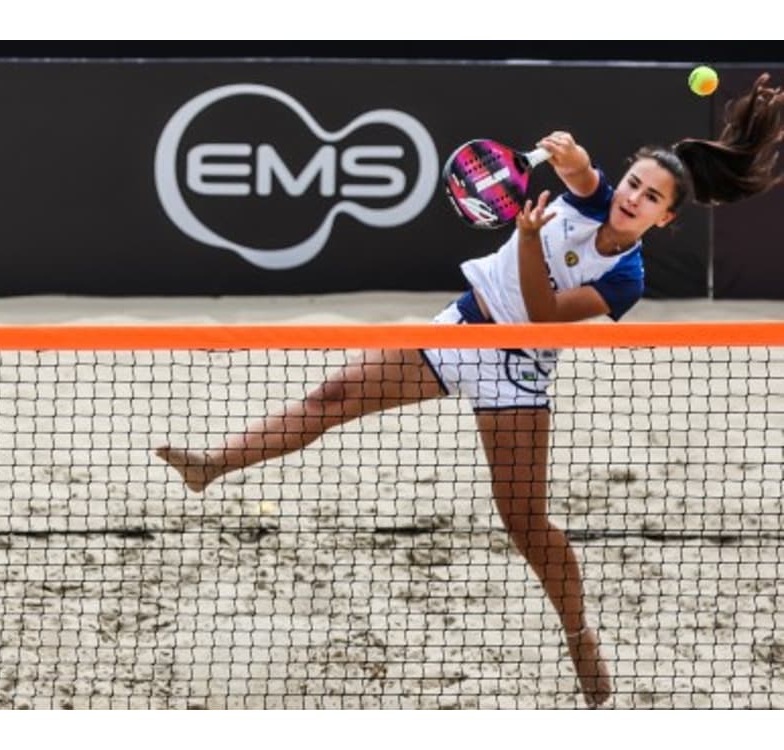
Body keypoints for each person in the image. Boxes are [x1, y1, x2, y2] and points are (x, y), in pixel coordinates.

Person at [156, 74, 784, 708]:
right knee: (331, 398)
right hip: (460, 327)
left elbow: (540, 314)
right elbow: (582, 172)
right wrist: (568, 155)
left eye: (650, 198)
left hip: (514, 369)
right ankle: (212, 465)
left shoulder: (627, 277)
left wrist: (533, 236)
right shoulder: (594, 197)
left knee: (525, 524)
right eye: (633, 184)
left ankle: (578, 633)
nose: (634, 198)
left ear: (665, 216)